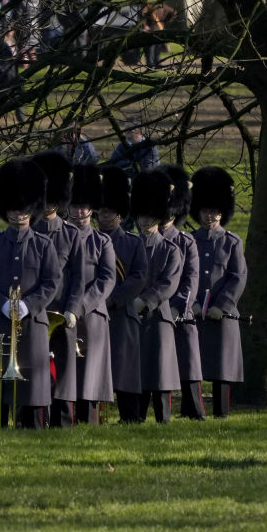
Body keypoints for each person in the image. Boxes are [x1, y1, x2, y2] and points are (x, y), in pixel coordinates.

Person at [0, 158, 60, 429]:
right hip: (0, 322)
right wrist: (1, 304)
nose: (17, 213)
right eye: (12, 208)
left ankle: (33, 426)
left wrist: (28, 306)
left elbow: (51, 282)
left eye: (23, 208)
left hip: (32, 324)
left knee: (32, 389)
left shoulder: (44, 245)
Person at [189, 166, 247, 418]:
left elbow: (238, 277)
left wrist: (221, 305)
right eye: (205, 211)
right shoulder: (189, 240)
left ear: (222, 213)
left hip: (221, 313)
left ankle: (221, 412)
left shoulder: (232, 242)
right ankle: (193, 410)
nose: (209, 216)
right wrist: (190, 304)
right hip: (194, 310)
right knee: (192, 364)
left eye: (214, 212)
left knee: (222, 366)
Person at [63, 166, 116, 423]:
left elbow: (107, 278)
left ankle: (89, 419)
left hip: (92, 312)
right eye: (75, 206)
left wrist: (81, 305)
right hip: (63, 311)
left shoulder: (102, 241)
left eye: (84, 207)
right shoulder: (59, 238)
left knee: (89, 373)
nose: (80, 212)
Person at [32, 151, 81, 426]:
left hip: (62, 311)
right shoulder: (31, 230)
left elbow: (78, 278)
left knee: (63, 370)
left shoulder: (71, 234)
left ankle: (62, 419)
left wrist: (73, 309)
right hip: (35, 310)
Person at [131, 168, 183, 423]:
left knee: (160, 373)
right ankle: (137, 415)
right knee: (138, 370)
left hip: (158, 315)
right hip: (133, 315)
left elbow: (169, 283)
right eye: (142, 214)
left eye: (150, 215)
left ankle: (163, 417)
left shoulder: (171, 249)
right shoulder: (131, 245)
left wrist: (146, 299)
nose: (144, 219)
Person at [98, 167, 149, 422]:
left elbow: (139, 276)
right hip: (95, 309)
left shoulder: (132, 242)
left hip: (121, 310)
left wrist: (115, 298)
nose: (104, 215)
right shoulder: (90, 240)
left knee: (125, 368)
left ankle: (131, 416)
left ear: (119, 213)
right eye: (102, 210)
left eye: (109, 212)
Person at [159, 163, 205, 419]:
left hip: (180, 313)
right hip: (156, 312)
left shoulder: (186, 242)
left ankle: (193, 409)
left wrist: (178, 307)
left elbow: (191, 280)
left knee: (188, 365)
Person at [141, 0, 176, 68]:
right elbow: (174, 12)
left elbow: (142, 15)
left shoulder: (148, 6)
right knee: (157, 49)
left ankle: (150, 65)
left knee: (150, 49)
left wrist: (145, 26)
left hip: (151, 31)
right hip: (160, 30)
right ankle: (157, 63)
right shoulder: (162, 5)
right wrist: (166, 22)